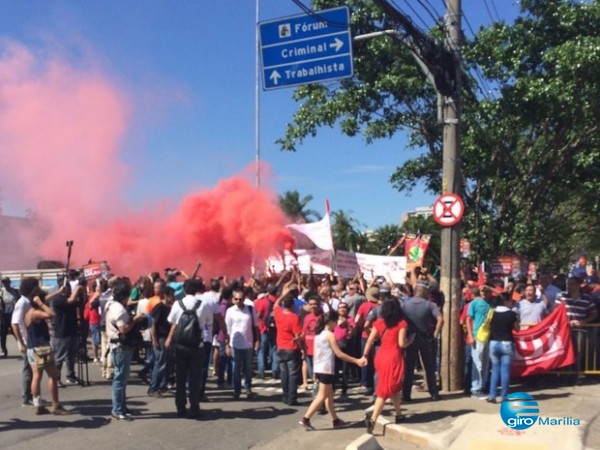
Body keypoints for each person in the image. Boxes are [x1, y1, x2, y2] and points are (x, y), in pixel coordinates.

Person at [298, 310, 366, 429]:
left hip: (319, 367)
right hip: (326, 368)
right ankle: (306, 418)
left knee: (329, 395)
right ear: (331, 322)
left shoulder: (318, 335)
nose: (337, 324)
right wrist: (356, 360)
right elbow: (339, 353)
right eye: (336, 321)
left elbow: (315, 353)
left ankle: (335, 420)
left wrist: (314, 370)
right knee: (322, 396)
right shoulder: (329, 335)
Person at [166, 278, 212, 419]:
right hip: (197, 346)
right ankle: (194, 408)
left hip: (180, 346)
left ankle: (180, 408)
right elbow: (209, 322)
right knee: (195, 378)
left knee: (181, 378)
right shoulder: (203, 305)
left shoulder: (178, 304)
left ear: (184, 290)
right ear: (196, 290)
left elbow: (171, 321)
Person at [363, 299, 412, 432]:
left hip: (380, 356)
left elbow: (369, 341)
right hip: (394, 357)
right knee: (385, 389)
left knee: (394, 387)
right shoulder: (402, 324)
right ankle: (373, 420)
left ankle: (399, 414)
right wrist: (410, 341)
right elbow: (401, 344)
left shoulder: (378, 323)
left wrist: (364, 355)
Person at [24, 285, 71, 416]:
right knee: (53, 375)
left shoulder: (29, 312)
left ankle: (37, 404)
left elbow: (45, 299)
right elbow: (52, 314)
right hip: (41, 348)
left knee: (36, 376)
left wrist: (58, 292)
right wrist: (41, 303)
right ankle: (55, 405)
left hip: (32, 348)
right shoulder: (36, 312)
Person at [105, 277, 146, 421]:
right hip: (121, 346)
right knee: (120, 379)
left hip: (119, 345)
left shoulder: (112, 304)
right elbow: (123, 329)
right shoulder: (119, 309)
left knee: (122, 378)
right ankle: (117, 409)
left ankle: (122, 406)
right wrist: (135, 320)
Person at [401, 281, 444, 402]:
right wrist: (435, 333)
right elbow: (440, 319)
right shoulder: (430, 305)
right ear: (424, 292)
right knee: (429, 366)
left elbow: (400, 321)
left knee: (409, 367)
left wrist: (403, 336)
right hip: (426, 337)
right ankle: (434, 393)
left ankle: (406, 394)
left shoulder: (405, 305)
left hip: (410, 338)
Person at [225, 287, 259, 400]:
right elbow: (227, 329)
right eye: (236, 299)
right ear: (233, 299)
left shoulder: (250, 309)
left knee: (248, 368)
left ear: (244, 299)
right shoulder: (230, 311)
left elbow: (255, 326)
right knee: (236, 368)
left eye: (241, 299)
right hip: (235, 344)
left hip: (248, 343)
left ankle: (248, 388)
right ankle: (236, 390)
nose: (238, 301)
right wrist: (227, 345)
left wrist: (257, 340)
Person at [486, 292, 519, 403]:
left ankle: (492, 395)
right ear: (506, 301)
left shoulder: (491, 312)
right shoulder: (511, 314)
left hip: (493, 342)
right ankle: (504, 396)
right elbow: (517, 328)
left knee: (495, 370)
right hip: (507, 343)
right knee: (505, 371)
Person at [273, 283, 303, 406]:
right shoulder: (294, 318)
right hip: (291, 347)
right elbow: (297, 336)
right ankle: (292, 397)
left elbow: (275, 304)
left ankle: (285, 396)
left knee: (284, 373)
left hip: (280, 346)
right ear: (292, 305)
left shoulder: (278, 313)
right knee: (292, 374)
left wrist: (282, 295)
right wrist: (302, 348)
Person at [52, 280, 84, 386]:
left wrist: (81, 293)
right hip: (62, 331)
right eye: (66, 287)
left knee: (71, 355)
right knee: (59, 356)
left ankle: (71, 375)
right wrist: (77, 289)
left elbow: (80, 303)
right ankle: (56, 378)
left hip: (72, 330)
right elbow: (71, 301)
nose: (69, 289)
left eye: (69, 287)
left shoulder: (70, 297)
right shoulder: (58, 299)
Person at [466, 285, 494, 399]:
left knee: (485, 363)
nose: (484, 293)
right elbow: (468, 319)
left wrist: (489, 287)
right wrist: (470, 335)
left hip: (487, 337)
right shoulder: (473, 304)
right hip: (477, 336)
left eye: (486, 291)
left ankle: (481, 386)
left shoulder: (489, 305)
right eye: (482, 291)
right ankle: (475, 388)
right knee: (478, 363)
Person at [148, 286, 175, 397]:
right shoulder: (159, 307)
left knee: (169, 363)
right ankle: (153, 388)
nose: (173, 297)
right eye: (171, 295)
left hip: (169, 338)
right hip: (161, 338)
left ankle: (163, 385)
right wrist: (154, 339)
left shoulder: (171, 307)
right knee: (160, 363)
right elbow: (152, 324)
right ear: (165, 295)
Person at [1, 277, 19, 357]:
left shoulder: (15, 292)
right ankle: (4, 351)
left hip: (14, 315)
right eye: (3, 282)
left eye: (6, 282)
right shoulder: (1, 292)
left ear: (9, 282)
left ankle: (22, 347)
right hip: (4, 316)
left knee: (16, 333)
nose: (5, 284)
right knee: (3, 334)